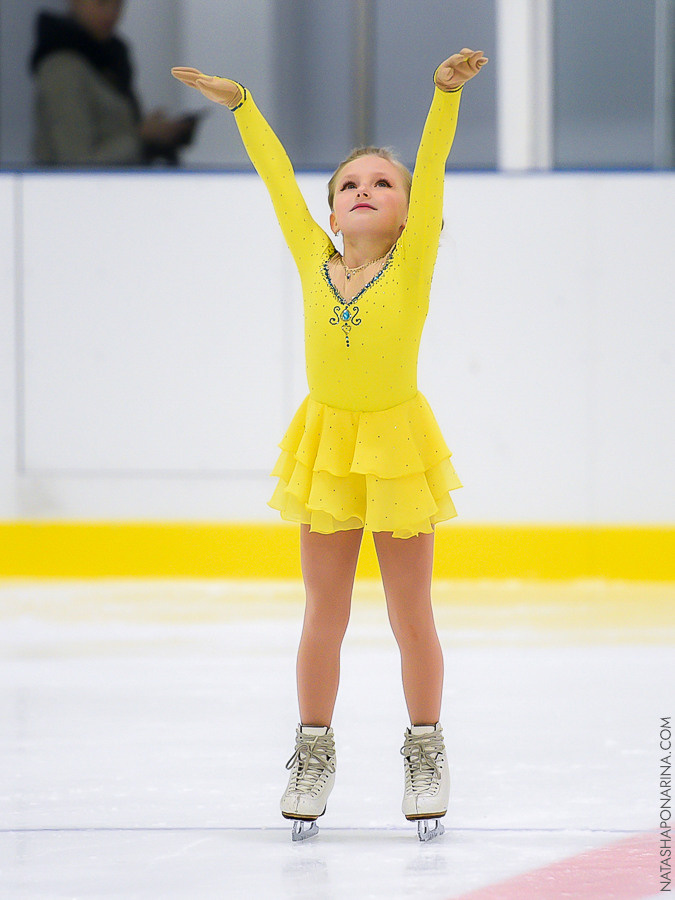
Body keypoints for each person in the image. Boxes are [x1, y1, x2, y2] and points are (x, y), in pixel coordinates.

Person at [172, 47, 488, 842]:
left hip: (396, 442)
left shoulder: (411, 265)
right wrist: (242, 103)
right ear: (331, 206)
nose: (363, 190)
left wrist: (442, 95)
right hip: (327, 443)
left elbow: (437, 164)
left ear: (409, 213)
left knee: (410, 614)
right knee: (325, 612)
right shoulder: (313, 260)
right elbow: (277, 180)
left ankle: (425, 748)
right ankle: (312, 751)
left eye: (383, 182)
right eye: (350, 183)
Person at [30, 0, 197, 165]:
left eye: (118, 5)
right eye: (101, 3)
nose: (111, 13)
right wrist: (142, 136)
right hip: (78, 189)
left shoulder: (108, 60)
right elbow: (76, 162)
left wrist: (156, 137)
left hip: (109, 187)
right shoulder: (63, 68)